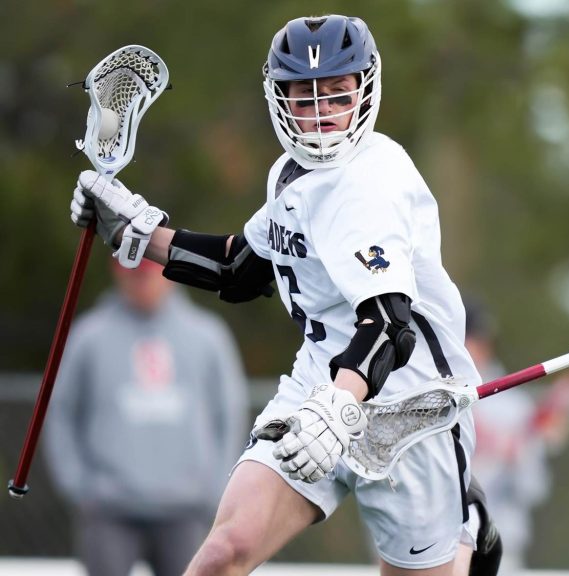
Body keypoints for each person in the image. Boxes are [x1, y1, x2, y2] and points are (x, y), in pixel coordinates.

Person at [69, 14, 499, 576]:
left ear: (365, 91)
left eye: (337, 95)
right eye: (305, 96)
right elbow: (239, 268)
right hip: (318, 386)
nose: (321, 114)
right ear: (280, 98)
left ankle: (465, 525)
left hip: (407, 410)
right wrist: (133, 231)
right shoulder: (289, 175)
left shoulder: (372, 183)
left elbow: (391, 323)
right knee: (223, 554)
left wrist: (341, 406)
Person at [42, 258, 248, 576]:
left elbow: (230, 415)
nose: (142, 284)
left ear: (170, 276)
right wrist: (80, 486)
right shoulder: (89, 336)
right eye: (134, 276)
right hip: (109, 508)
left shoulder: (208, 336)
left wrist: (216, 489)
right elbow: (61, 413)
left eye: (149, 276)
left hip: (185, 507)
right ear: (119, 275)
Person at [463, 298, 569, 575]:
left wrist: (518, 453)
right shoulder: (422, 397)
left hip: (495, 542)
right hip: (425, 540)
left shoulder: (512, 406)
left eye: (478, 340)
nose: (476, 349)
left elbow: (534, 488)